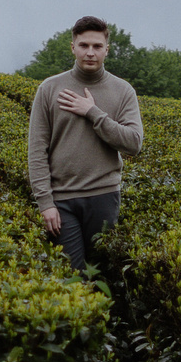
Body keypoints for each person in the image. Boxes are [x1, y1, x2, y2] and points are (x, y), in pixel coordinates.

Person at [27, 15, 143, 273]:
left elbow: (134, 143)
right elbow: (37, 150)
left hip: (104, 197)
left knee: (101, 275)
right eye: (84, 45)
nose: (90, 52)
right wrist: (45, 203)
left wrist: (93, 112)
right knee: (72, 276)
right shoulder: (49, 88)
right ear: (73, 47)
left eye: (97, 46)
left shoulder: (123, 91)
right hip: (62, 201)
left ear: (107, 50)